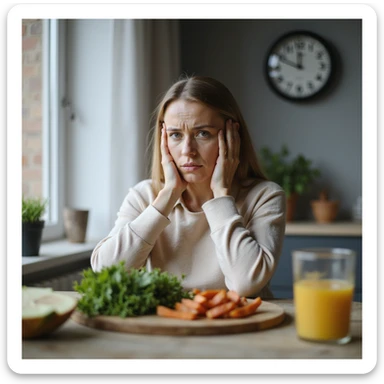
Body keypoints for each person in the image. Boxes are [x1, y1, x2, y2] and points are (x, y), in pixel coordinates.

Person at [90, 75, 286, 299]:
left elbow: (245, 285)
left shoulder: (265, 196)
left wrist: (221, 196)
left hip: (237, 328)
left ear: (234, 138)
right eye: (175, 135)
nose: (187, 150)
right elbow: (107, 271)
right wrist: (167, 197)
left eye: (203, 134)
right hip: (166, 326)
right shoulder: (144, 196)